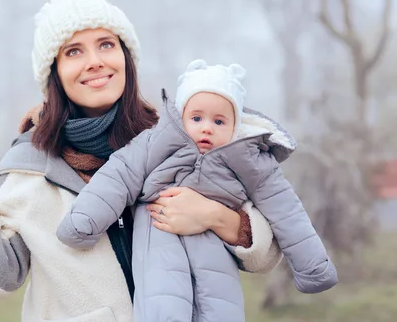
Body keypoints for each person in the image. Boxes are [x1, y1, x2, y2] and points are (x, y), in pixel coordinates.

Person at [0, 0, 282, 322]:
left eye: (106, 44)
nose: (95, 62)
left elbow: (266, 255)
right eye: (73, 51)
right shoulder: (29, 170)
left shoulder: (182, 138)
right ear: (54, 73)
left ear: (126, 57)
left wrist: (216, 217)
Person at [57, 59, 339, 321]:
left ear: (235, 126)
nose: (206, 129)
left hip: (213, 248)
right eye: (197, 118)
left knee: (219, 307)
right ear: (181, 117)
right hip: (159, 236)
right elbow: (120, 174)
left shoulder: (249, 159)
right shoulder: (158, 141)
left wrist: (313, 268)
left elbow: (287, 211)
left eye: (219, 121)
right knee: (163, 304)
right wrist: (83, 221)